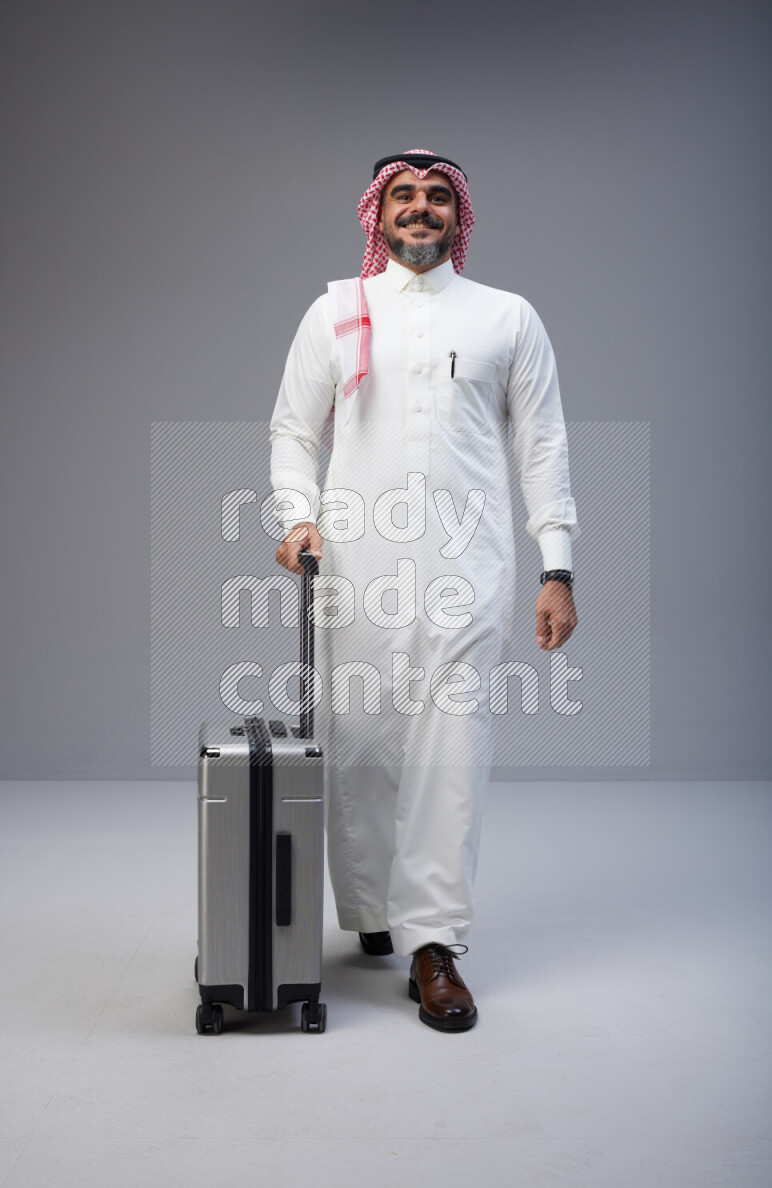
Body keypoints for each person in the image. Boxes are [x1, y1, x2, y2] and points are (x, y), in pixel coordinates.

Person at [270, 150, 579, 1032]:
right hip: (356, 566)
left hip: (467, 569)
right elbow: (294, 430)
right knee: (360, 741)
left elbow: (544, 448)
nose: (420, 209)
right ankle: (372, 909)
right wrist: (296, 516)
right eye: (403, 195)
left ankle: (433, 944)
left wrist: (557, 565)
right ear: (377, 213)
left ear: (458, 216)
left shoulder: (505, 318)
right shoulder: (337, 310)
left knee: (453, 749)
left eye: (438, 197)